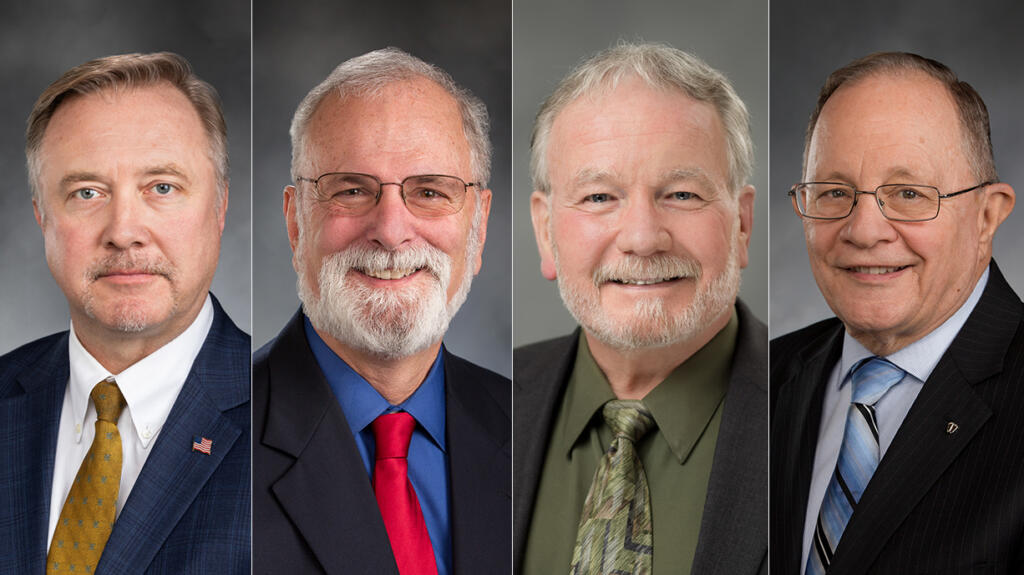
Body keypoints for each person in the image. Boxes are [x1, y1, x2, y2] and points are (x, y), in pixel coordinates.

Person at [252, 47, 510, 574]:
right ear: (296, 223)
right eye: (351, 189)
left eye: (430, 191)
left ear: (479, 228)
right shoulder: (214, 438)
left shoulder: (531, 430)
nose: (391, 231)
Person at [515, 42, 767, 575]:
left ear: (741, 225)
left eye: (681, 194)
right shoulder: (487, 407)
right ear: (545, 231)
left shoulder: (812, 415)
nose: (642, 238)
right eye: (599, 198)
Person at [771, 52, 1024, 573]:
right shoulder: (759, 378)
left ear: (986, 216)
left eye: (909, 193)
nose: (864, 231)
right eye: (834, 192)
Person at [0, 52, 250, 574]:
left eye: (162, 187)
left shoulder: (291, 408)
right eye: (86, 192)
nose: (124, 230)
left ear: (220, 206)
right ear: (42, 217)